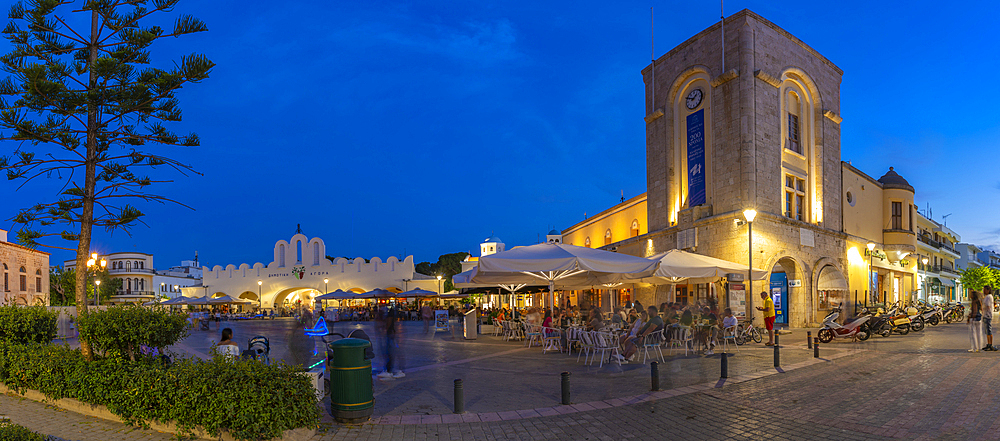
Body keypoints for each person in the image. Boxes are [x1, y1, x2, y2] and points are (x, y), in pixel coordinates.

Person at [983, 286, 995, 351]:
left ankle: (990, 344)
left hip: (987, 315)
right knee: (987, 331)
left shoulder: (988, 297)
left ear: (988, 290)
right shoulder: (987, 296)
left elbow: (988, 306)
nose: (983, 291)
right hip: (986, 315)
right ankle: (988, 343)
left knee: (988, 330)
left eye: (984, 290)